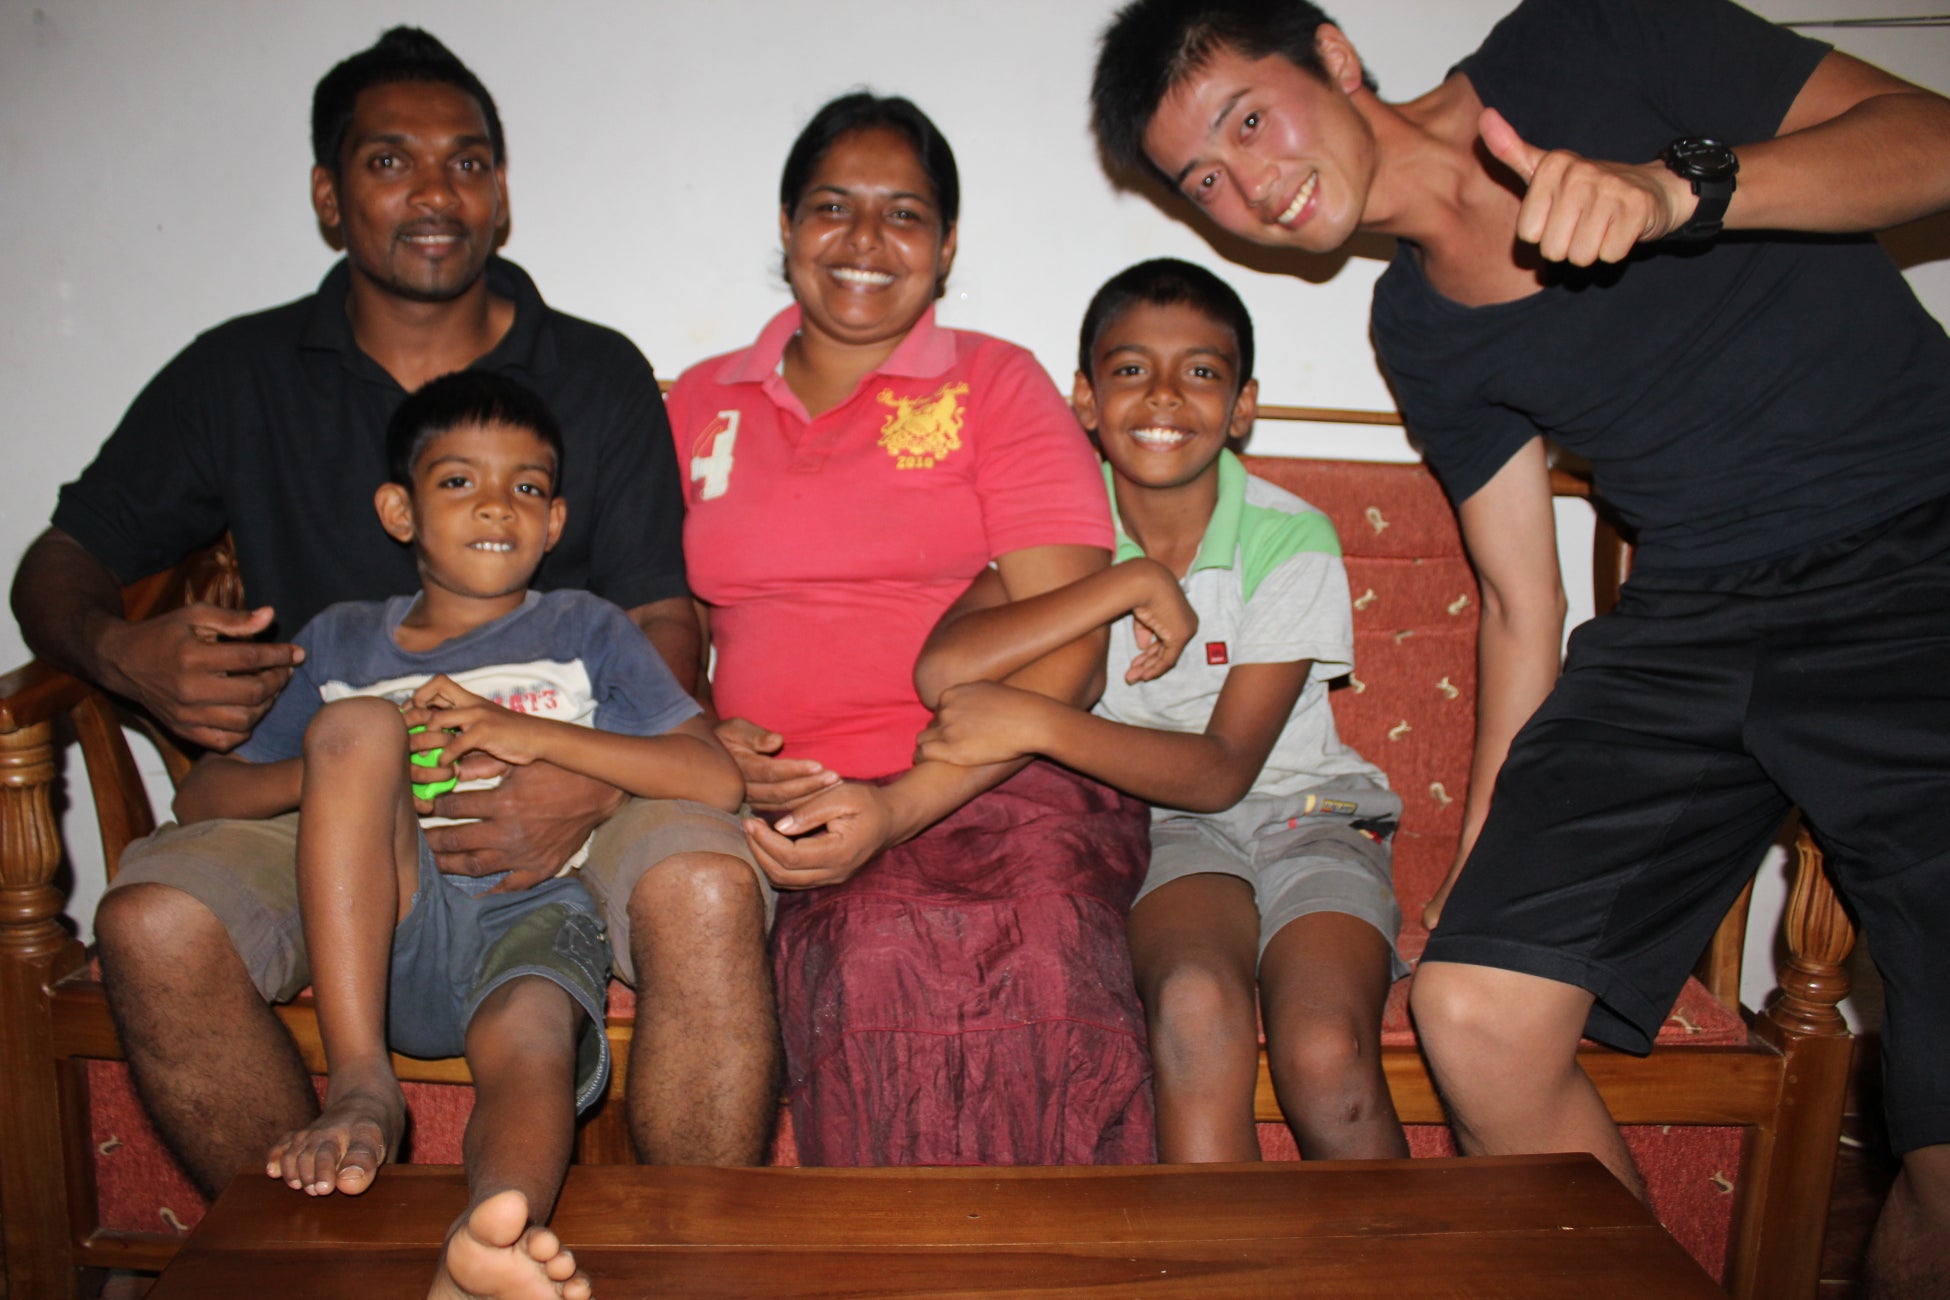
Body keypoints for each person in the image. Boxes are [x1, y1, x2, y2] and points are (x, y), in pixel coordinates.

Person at [1092, 0, 1950, 1290]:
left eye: (1249, 120)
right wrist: (1481, 858)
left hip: (1918, 554)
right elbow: (1517, 599)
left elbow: (1933, 137)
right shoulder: (1418, 324)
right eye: (1204, 178)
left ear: (1333, 54)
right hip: (1693, 613)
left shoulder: (1583, 42)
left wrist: (1678, 192)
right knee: (1473, 1013)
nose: (1249, 187)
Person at [10, 26, 778, 1196]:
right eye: (388, 161)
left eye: (467, 163)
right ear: (330, 196)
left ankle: (701, 1256)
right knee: (154, 923)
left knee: (708, 888)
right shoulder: (238, 374)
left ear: (501, 195)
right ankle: (302, 1254)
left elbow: (661, 619)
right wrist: (121, 653)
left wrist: (595, 776)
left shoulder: (594, 372)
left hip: (572, 762)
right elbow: (61, 561)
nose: (434, 192)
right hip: (322, 792)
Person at [666, 92, 1155, 1165]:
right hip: (797, 810)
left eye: (903, 214)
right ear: (788, 225)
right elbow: (660, 625)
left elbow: (1071, 657)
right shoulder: (701, 403)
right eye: (833, 206)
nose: (865, 240)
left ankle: (1062, 1252)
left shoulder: (995, 383)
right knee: (870, 961)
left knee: (1035, 961)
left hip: (1004, 788)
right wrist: (700, 735)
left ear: (946, 244)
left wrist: (897, 807)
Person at [175, 373, 740, 1297]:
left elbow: (713, 776)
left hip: (536, 909)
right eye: (458, 481)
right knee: (356, 727)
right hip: (383, 917)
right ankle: (362, 1085)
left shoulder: (585, 627)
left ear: (555, 522)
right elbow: (204, 794)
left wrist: (530, 734)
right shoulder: (343, 640)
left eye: (527, 486)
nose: (496, 505)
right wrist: (362, 763)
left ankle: (489, 1246)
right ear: (399, 510)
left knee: (532, 1046)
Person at [913, 258, 1409, 1164]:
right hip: (1165, 829)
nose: (1165, 395)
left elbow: (1223, 771)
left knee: (1324, 1050)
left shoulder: (1287, 536)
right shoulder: (1063, 536)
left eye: (1202, 371)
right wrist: (1125, 580)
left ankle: (1392, 1248)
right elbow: (944, 668)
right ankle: (1222, 1248)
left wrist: (1037, 722)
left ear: (1243, 405)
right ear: (1086, 398)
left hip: (1312, 814)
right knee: (1191, 1009)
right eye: (1132, 368)